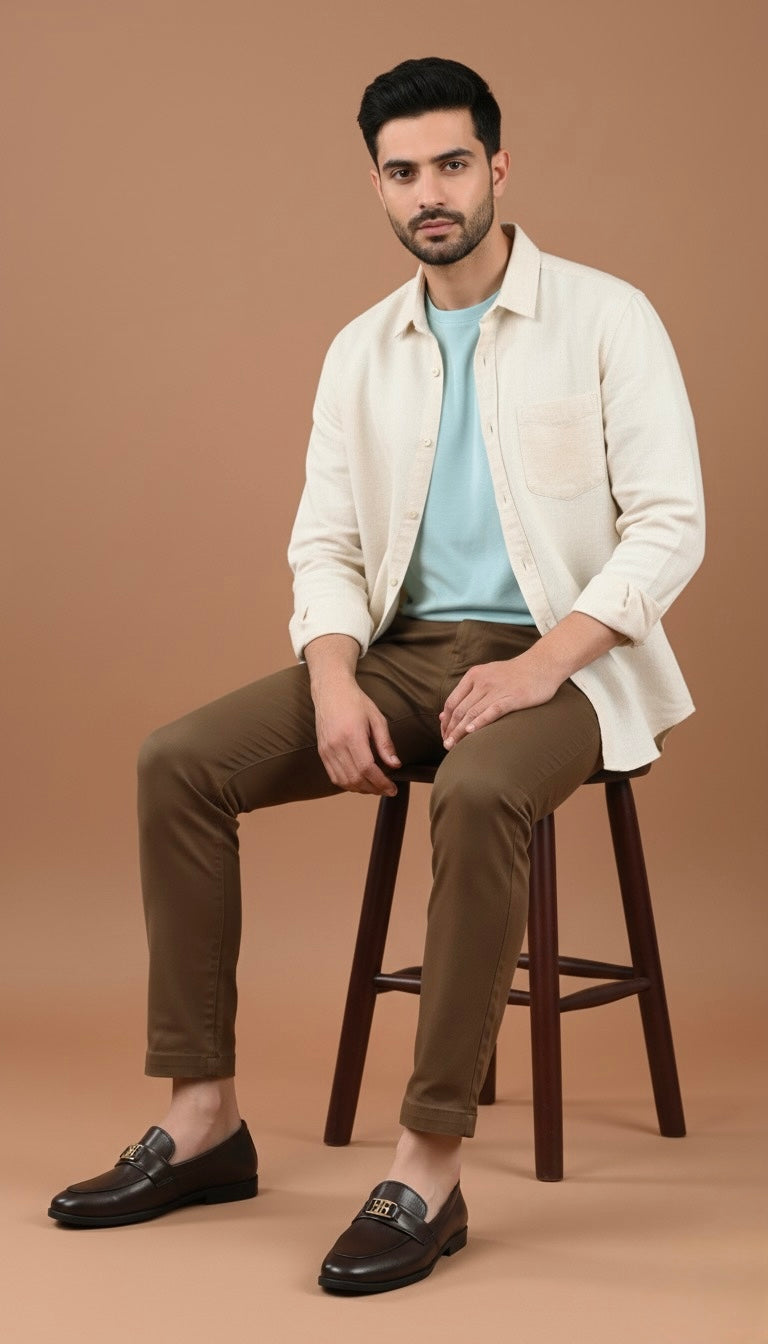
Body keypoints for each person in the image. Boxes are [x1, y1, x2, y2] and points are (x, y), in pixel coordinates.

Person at [48, 56, 705, 1294]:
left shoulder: (608, 318)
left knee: (471, 792)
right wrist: (335, 677)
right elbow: (330, 544)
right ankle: (203, 1122)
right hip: (401, 661)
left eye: (452, 164)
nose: (430, 193)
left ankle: (428, 1161)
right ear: (380, 187)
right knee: (178, 761)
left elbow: (671, 524)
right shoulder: (363, 351)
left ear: (498, 169)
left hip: (570, 668)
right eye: (402, 173)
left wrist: (539, 667)